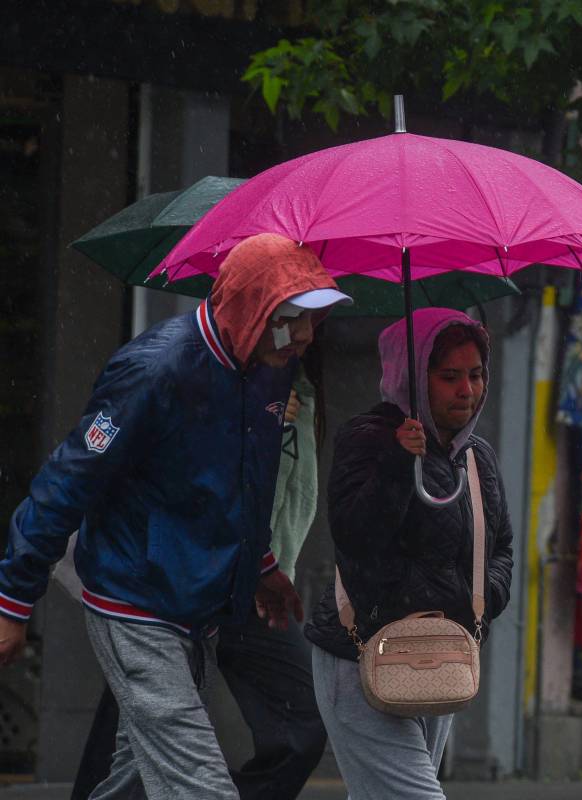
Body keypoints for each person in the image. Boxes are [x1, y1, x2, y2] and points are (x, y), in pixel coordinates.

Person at [0, 233, 351, 799]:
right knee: (201, 788)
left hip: (198, 603)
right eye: (293, 319)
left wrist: (259, 564)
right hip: (134, 598)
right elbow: (68, 479)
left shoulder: (270, 364)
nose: (307, 337)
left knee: (135, 772)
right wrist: (11, 600)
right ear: (250, 308)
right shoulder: (153, 371)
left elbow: (248, 480)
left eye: (314, 319)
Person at [69, 341, 330, 800]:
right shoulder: (185, 366)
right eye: (297, 313)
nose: (307, 327)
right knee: (134, 741)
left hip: (255, 580)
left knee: (304, 720)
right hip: (173, 583)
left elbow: (289, 498)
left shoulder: (303, 386)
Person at [305, 309, 515, 800]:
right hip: (361, 655)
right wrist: (400, 463)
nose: (467, 390)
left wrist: (471, 603)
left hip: (439, 656)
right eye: (449, 377)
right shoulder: (369, 440)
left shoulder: (475, 457)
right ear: (412, 375)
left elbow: (499, 548)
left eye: (476, 374)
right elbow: (356, 537)